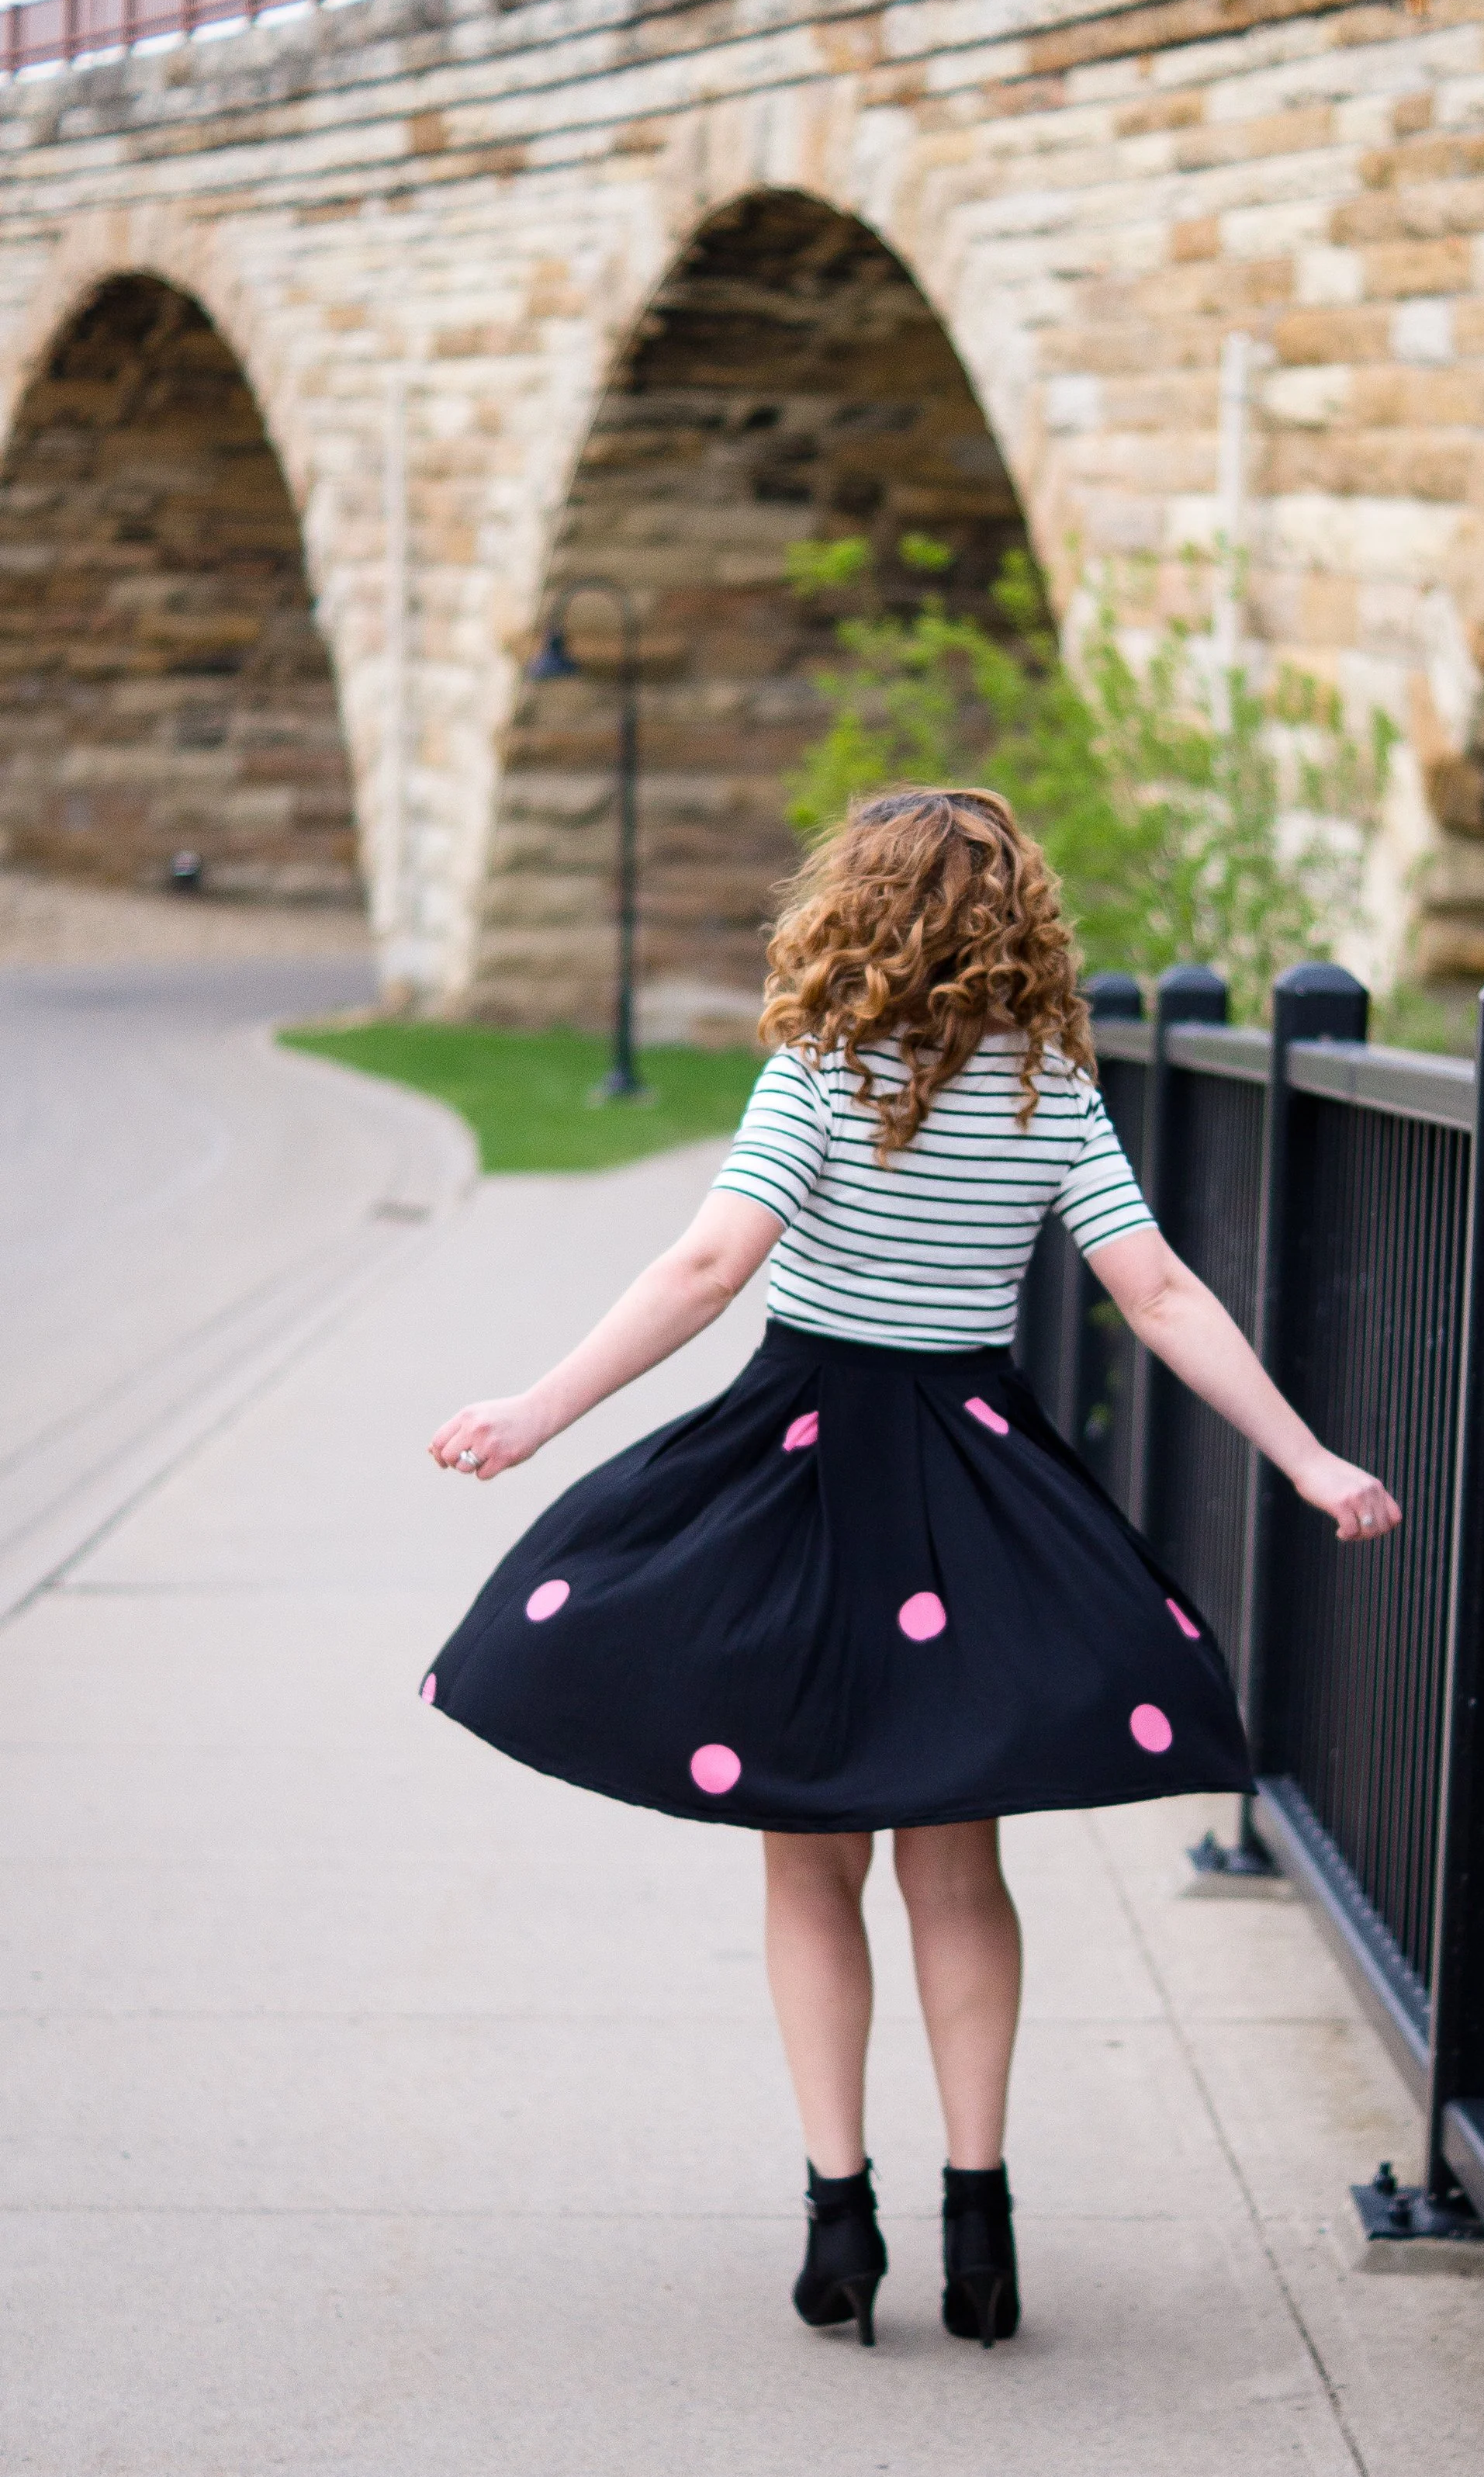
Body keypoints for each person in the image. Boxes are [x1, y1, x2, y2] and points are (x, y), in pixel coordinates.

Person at [424, 788, 1399, 2351]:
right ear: (1022, 927)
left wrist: (540, 1409)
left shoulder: (812, 1078)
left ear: (850, 912)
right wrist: (1304, 1457)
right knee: (958, 1870)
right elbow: (1152, 1293)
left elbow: (707, 1269)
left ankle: (836, 2213)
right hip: (972, 1487)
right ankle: (980, 2216)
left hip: (798, 1476)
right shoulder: (1050, 1091)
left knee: (809, 1859)